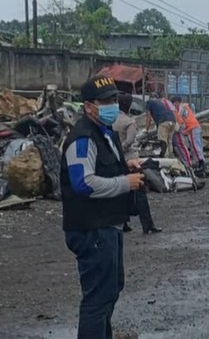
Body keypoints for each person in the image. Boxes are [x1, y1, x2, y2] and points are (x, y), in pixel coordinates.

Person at [60, 76, 145, 339]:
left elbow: (99, 170)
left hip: (107, 226)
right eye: (105, 101)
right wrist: (124, 182)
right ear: (88, 107)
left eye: (114, 99)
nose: (112, 105)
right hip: (92, 229)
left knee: (110, 290)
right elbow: (83, 183)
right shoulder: (82, 138)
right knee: (98, 298)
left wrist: (124, 167)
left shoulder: (104, 134)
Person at [114, 94, 161, 234]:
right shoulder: (129, 122)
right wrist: (120, 150)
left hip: (117, 162)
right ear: (129, 105)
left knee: (121, 192)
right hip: (131, 162)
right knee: (140, 192)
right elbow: (129, 142)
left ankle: (124, 223)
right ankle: (147, 225)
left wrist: (114, 152)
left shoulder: (111, 120)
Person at [171, 96, 206, 176]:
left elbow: (179, 120)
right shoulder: (185, 107)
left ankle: (202, 164)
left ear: (176, 102)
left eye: (174, 103)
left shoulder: (180, 108)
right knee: (197, 147)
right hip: (194, 127)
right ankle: (201, 164)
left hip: (192, 127)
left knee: (196, 147)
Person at [144, 94, 177, 159]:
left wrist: (146, 130)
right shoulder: (161, 103)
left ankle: (166, 159)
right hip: (173, 121)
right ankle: (171, 157)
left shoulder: (149, 102)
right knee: (169, 140)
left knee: (163, 140)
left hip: (163, 121)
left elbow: (149, 117)